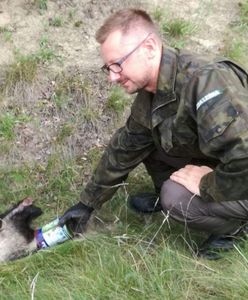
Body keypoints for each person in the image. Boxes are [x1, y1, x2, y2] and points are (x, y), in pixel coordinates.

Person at [59, 9, 248, 259]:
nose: (112, 77)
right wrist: (87, 204)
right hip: (227, 161)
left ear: (148, 47)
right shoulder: (152, 93)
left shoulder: (207, 82)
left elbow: (245, 159)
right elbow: (126, 148)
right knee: (151, 142)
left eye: (118, 64)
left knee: (175, 196)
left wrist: (206, 184)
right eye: (108, 68)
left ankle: (235, 229)